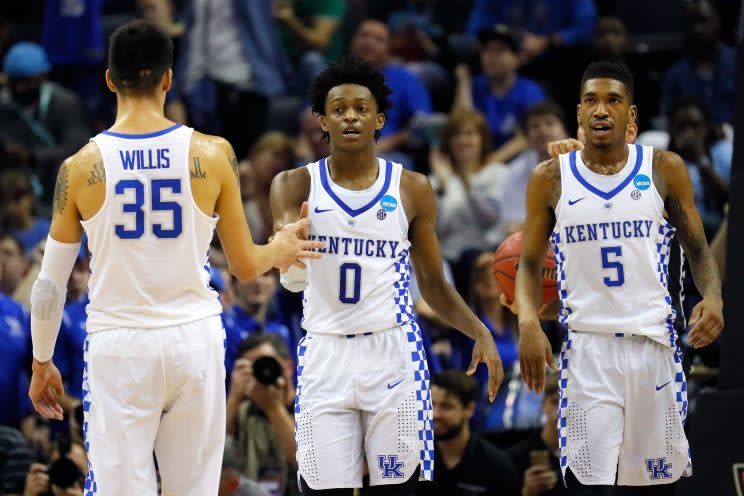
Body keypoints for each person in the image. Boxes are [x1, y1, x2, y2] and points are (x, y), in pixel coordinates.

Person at [26, 20, 321, 496]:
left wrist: (42, 361)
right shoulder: (213, 152)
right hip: (194, 339)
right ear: (168, 79)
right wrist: (283, 246)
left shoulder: (80, 166)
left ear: (108, 79)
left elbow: (48, 285)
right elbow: (246, 265)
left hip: (120, 345)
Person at [270, 56, 503, 494]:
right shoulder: (293, 184)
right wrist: (293, 260)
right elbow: (289, 267)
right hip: (324, 351)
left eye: (361, 108)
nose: (351, 117)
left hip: (392, 352)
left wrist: (480, 332)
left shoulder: (411, 187)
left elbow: (433, 285)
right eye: (338, 109)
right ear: (321, 119)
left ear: (379, 118)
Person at [514, 61, 724, 493]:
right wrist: (529, 322)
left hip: (654, 347)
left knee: (656, 486)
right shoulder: (550, 178)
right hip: (588, 351)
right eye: (591, 100)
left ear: (632, 117)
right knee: (589, 485)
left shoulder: (664, 168)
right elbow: (530, 264)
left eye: (613, 100)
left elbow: (698, 249)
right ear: (578, 113)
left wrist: (714, 297)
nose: (601, 109)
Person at [0, 42, 92, 204]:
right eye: (14, 81)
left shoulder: (65, 103)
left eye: (26, 81)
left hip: (53, 176)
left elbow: (79, 148)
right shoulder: (3, 104)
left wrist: (32, 156)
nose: (20, 88)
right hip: (12, 177)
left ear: (43, 76)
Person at [428, 109, 508, 278]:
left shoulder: (497, 173)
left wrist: (467, 184)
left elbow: (488, 219)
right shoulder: (436, 180)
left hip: (485, 256)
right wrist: (443, 186)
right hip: (446, 261)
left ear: (482, 140)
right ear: (448, 142)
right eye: (457, 135)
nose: (463, 140)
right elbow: (435, 229)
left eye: (470, 134)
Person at [454, 25, 546, 163]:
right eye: (486, 50)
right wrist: (463, 81)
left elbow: (526, 138)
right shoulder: (474, 86)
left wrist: (489, 164)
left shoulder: (529, 91)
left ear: (518, 58)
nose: (490, 57)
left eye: (500, 50)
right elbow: (459, 125)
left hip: (514, 164)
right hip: (476, 161)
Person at [418, 370, 519, 495]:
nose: (435, 414)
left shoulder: (496, 466)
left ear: (469, 409)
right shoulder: (413, 459)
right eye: (431, 405)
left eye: (446, 407)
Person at [226, 333, 296, 495]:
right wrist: (234, 399)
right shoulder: (242, 411)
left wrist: (274, 409)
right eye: (252, 367)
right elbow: (217, 460)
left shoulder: (310, 407)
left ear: (288, 367)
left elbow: (308, 464)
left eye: (267, 362)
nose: (262, 371)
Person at [350, 20, 432, 157]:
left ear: (389, 49)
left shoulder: (405, 79)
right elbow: (314, 118)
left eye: (378, 39)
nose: (369, 43)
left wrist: (390, 142)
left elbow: (423, 124)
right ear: (353, 42)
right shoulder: (334, 77)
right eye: (364, 36)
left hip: (387, 152)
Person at [662, 0, 736, 126]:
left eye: (702, 21)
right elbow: (667, 120)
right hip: (689, 141)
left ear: (717, 22)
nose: (696, 28)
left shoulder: (738, 63)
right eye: (690, 23)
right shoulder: (675, 75)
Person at [502, 101, 569, 234]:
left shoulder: (584, 163)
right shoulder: (516, 170)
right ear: (527, 138)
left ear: (565, 131)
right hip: (534, 244)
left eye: (549, 123)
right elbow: (512, 226)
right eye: (535, 126)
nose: (542, 131)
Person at [507, 374, 564, 496]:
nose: (561, 411)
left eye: (570, 404)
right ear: (543, 405)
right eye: (555, 402)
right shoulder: (515, 458)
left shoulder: (589, 458)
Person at [0, 170, 51, 254]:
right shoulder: (3, 237)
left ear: (30, 197)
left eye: (17, 199)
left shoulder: (49, 231)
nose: (11, 208)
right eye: (6, 201)